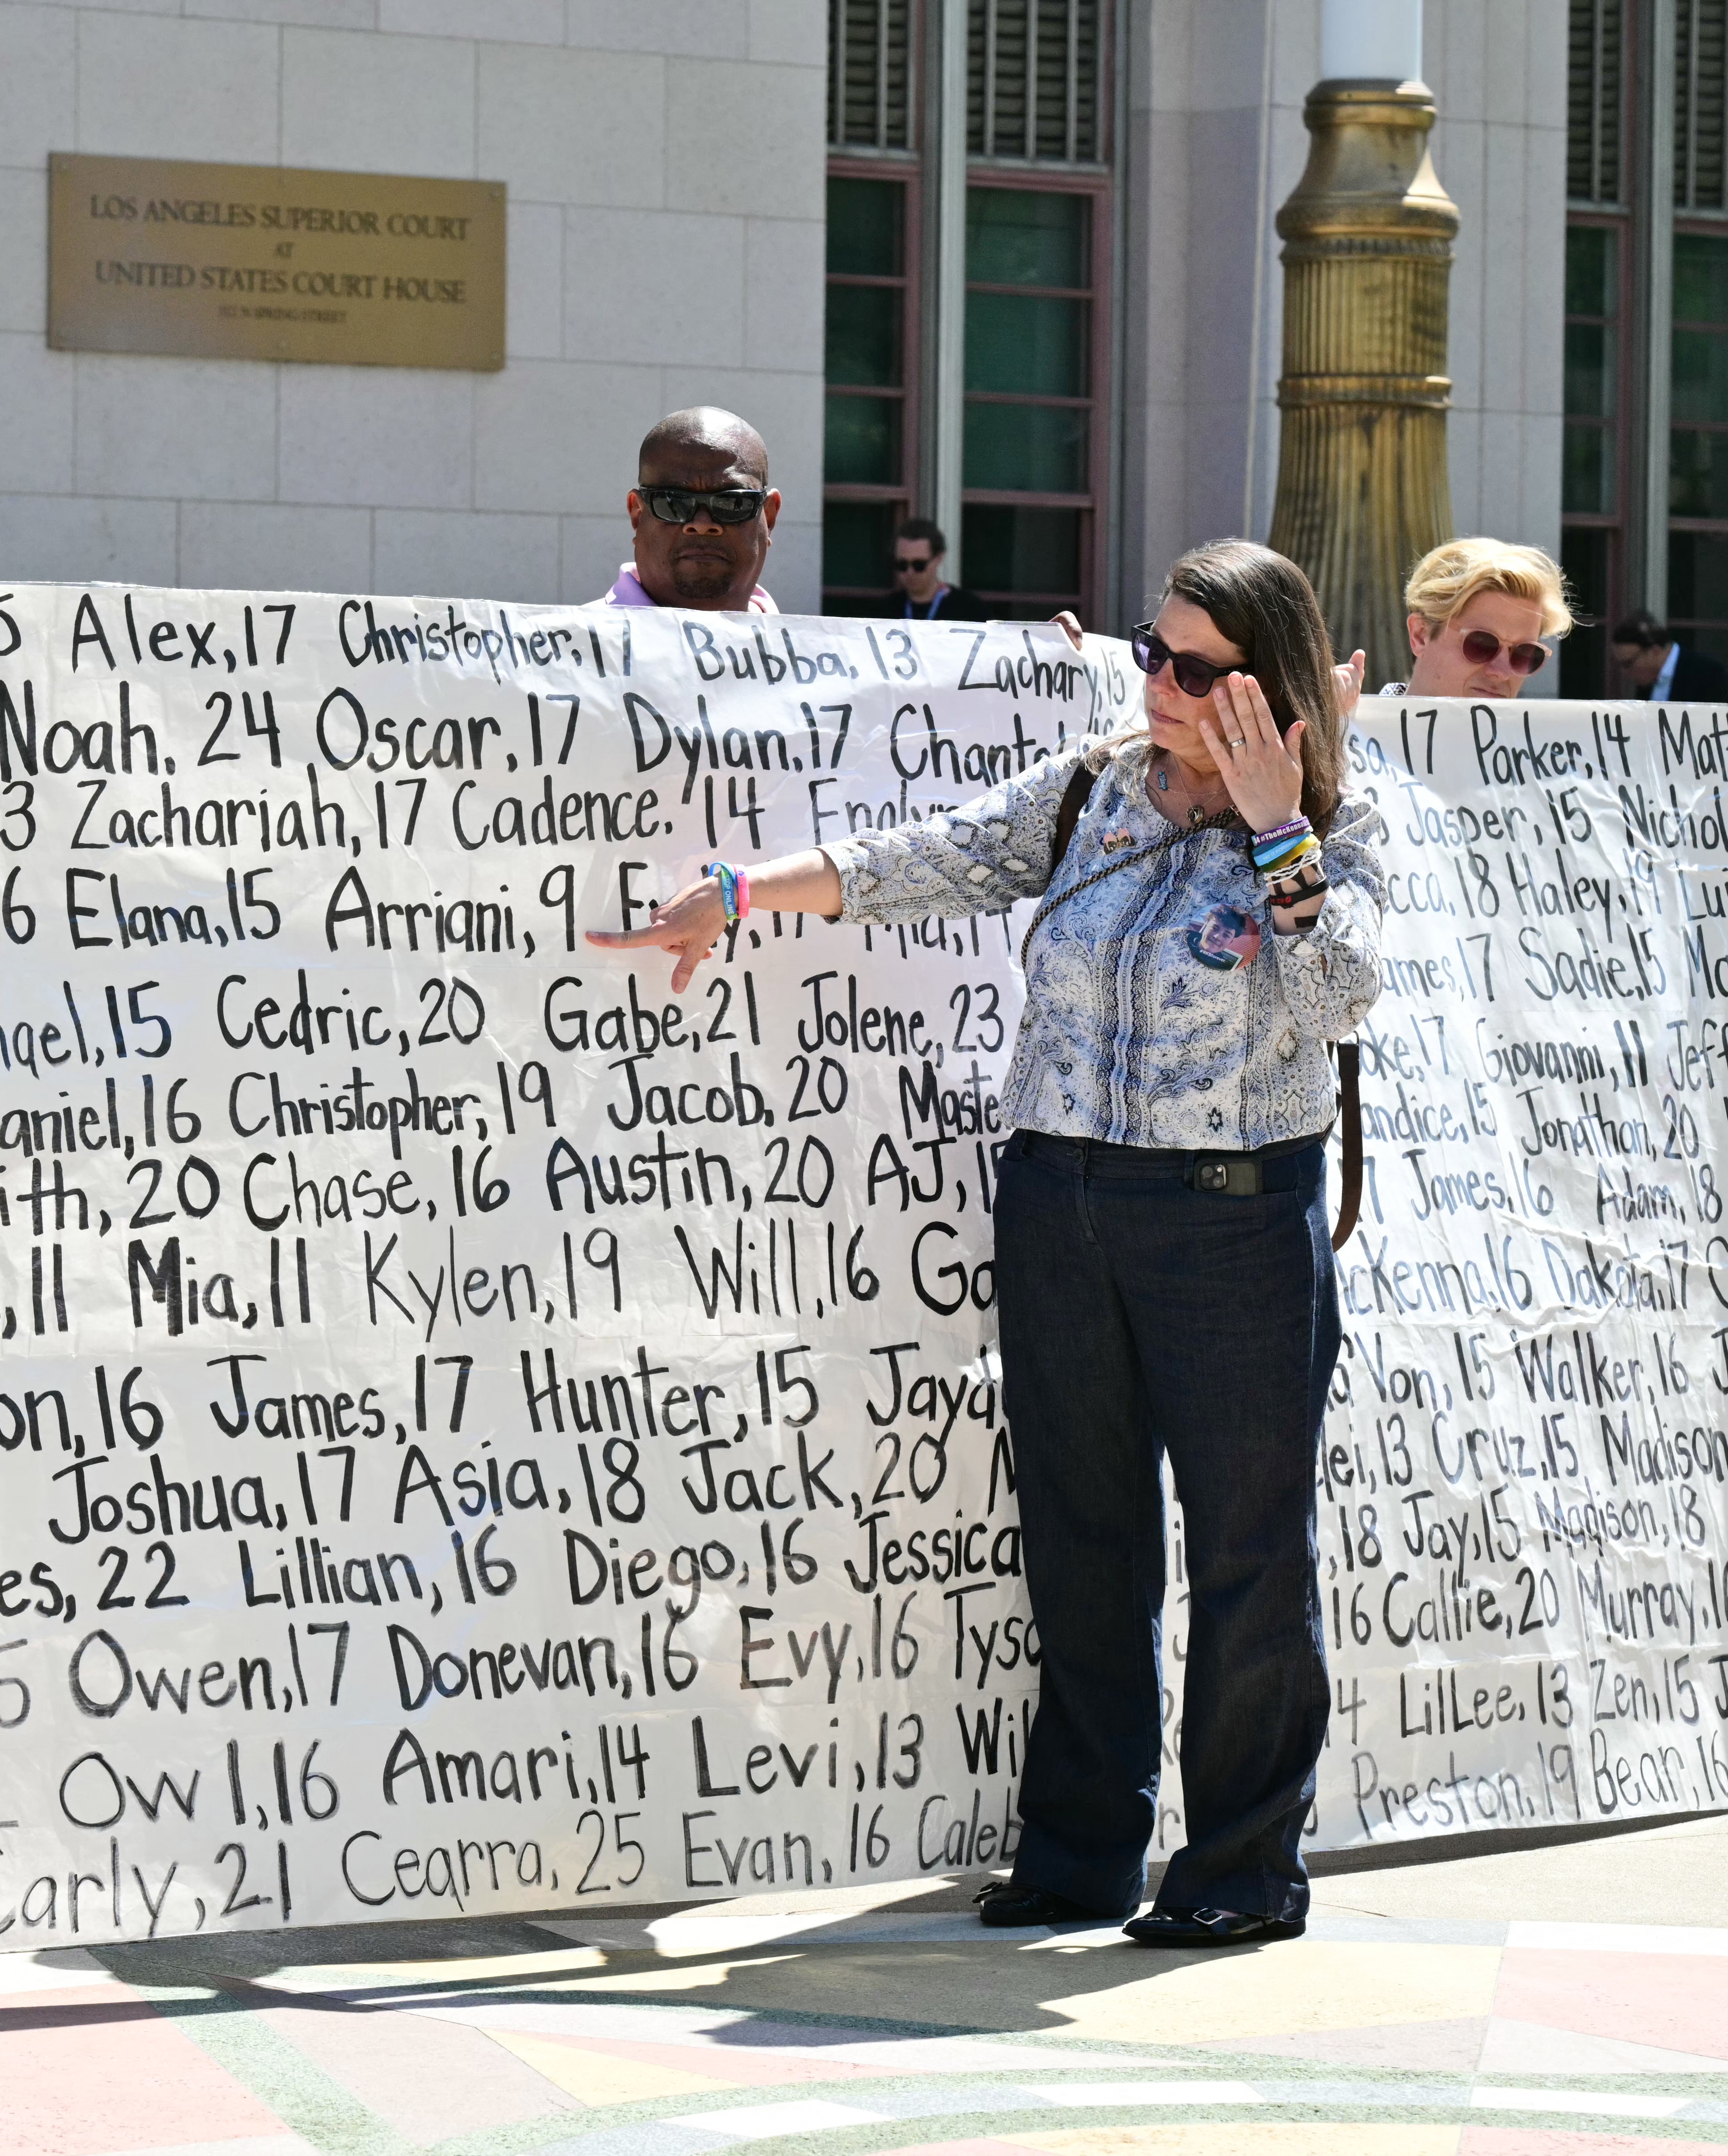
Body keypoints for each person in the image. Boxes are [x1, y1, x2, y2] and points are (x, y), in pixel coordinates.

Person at [590, 539, 1381, 1949]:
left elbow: (1342, 1000)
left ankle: (1242, 1865)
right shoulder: (1093, 786)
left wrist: (1277, 830)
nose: (1158, 683)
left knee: (1249, 1545)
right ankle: (1079, 1849)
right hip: (1058, 1198)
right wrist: (738, 891)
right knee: (1082, 1531)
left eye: (1194, 667)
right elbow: (937, 856)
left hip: (1230, 1214)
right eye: (1151, 649)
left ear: (1262, 680)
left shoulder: (1337, 818)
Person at [599, 407, 779, 612]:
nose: (702, 525)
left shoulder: (810, 643)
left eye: (732, 502)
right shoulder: (568, 641)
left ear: (769, 515)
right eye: (673, 502)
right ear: (638, 515)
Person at [1383, 539, 1569, 697]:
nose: (1502, 672)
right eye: (1482, 645)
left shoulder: (1537, 740)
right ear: (1421, 635)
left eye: (1524, 654)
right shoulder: (1356, 732)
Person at [1607, 611, 1728, 702]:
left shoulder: (1708, 674)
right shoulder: (1647, 681)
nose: (1625, 672)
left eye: (1628, 664)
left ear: (1655, 651)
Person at [878, 516, 979, 621]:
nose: (910, 572)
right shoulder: (884, 611)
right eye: (902, 565)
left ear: (938, 558)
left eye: (919, 565)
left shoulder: (969, 609)